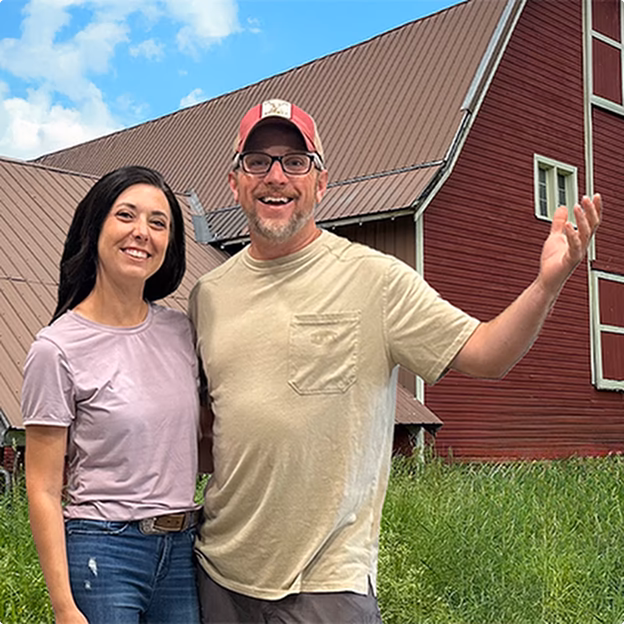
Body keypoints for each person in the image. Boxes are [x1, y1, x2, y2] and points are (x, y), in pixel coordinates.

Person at [188, 99, 602, 623]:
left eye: (296, 162)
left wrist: (546, 285)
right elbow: (209, 426)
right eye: (258, 161)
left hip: (326, 585)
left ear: (321, 182)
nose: (276, 176)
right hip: (217, 574)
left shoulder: (375, 279)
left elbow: (486, 353)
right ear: (235, 182)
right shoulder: (209, 295)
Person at [23, 166, 202, 624]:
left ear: (171, 243)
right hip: (103, 552)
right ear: (96, 225)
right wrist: (64, 606)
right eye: (127, 215)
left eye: (158, 223)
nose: (142, 232)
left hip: (184, 549)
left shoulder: (181, 332)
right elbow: (43, 487)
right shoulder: (57, 348)